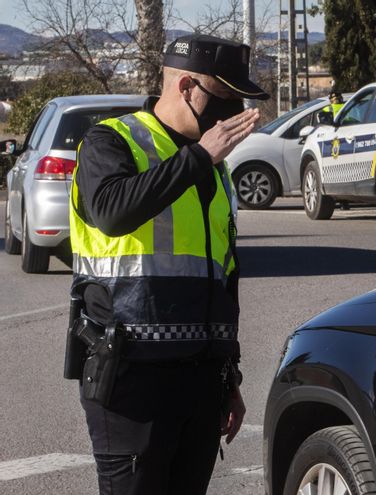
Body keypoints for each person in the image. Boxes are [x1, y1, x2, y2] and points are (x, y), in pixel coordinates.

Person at [68, 34, 268, 494]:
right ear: (184, 87)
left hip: (198, 382)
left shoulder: (214, 172)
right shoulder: (112, 140)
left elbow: (222, 276)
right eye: (222, 97)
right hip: (131, 381)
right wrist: (198, 157)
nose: (231, 111)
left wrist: (228, 376)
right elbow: (112, 212)